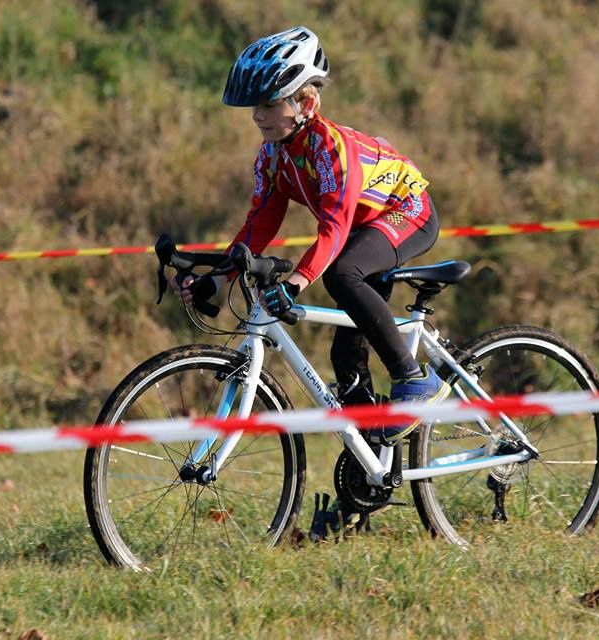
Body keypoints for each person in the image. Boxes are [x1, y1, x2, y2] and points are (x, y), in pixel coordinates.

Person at [177, 26, 449, 445]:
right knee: (344, 356)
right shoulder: (274, 154)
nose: (257, 115)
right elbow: (259, 223)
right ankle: (370, 465)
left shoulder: (330, 148)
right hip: (363, 230)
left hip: (407, 211)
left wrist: (296, 282)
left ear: (306, 102)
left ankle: (414, 380)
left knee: (342, 274)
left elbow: (335, 228)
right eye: (255, 106)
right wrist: (217, 279)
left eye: (269, 104)